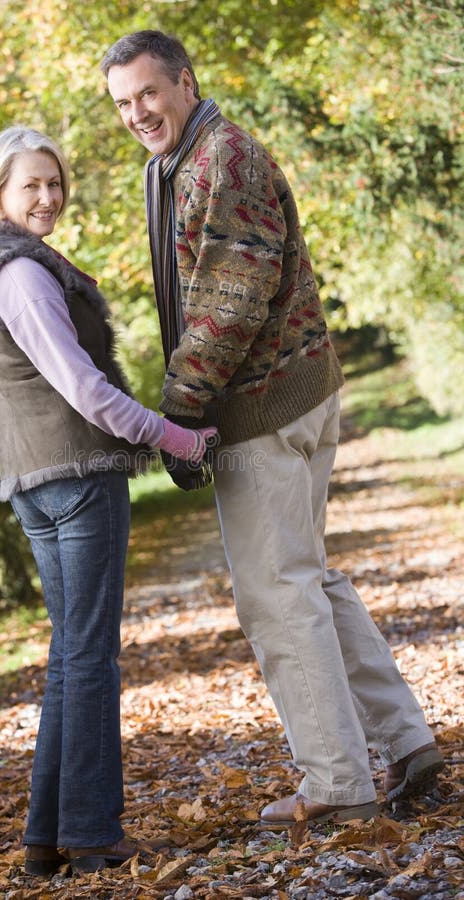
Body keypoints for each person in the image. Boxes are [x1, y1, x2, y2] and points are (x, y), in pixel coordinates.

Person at [100, 31, 445, 827]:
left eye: (148, 93)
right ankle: (405, 739)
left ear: (185, 82)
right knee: (309, 576)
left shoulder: (222, 160)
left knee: (277, 596)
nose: (137, 113)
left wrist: (181, 412)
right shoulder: (188, 161)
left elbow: (230, 298)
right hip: (290, 393)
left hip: (264, 408)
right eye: (122, 103)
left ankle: (337, 786)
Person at [0, 125, 217, 874]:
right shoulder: (22, 274)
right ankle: (96, 834)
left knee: (72, 656)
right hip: (75, 479)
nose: (47, 196)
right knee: (91, 658)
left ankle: (48, 838)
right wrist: (177, 438)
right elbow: (85, 390)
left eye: (54, 182)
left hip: (38, 481)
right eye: (30, 185)